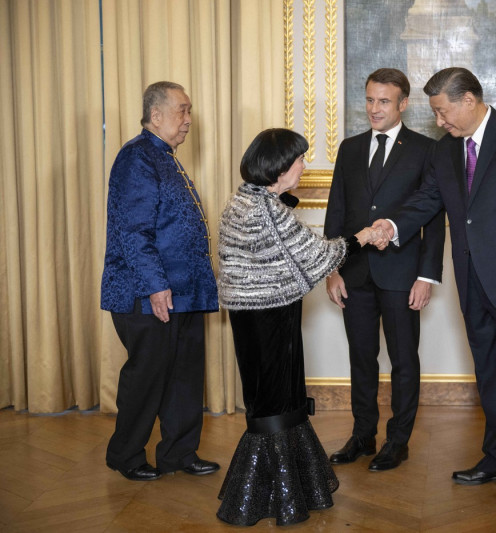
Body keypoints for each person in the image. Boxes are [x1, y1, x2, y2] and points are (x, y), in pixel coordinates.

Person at [373, 67, 496, 506]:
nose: (440, 122)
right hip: (474, 282)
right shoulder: (446, 152)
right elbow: (426, 200)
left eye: (443, 112)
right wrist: (390, 224)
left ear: (469, 100)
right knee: (492, 376)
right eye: (436, 115)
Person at [215, 128, 386, 527]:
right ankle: (278, 497)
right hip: (267, 318)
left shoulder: (248, 198)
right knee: (274, 402)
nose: (304, 166)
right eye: (299, 160)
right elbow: (317, 258)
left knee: (276, 400)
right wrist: (361, 236)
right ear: (278, 166)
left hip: (258, 315)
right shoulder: (264, 208)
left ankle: (285, 490)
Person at [324, 68, 445, 472]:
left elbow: (434, 216)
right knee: (362, 358)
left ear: (403, 104)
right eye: (370, 100)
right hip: (354, 274)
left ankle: (398, 441)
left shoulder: (427, 150)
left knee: (403, 359)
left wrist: (427, 277)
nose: (374, 108)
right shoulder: (350, 148)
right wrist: (332, 269)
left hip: (403, 275)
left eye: (384, 101)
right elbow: (336, 211)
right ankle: (362, 435)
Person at [101, 81, 220, 481]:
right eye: (183, 111)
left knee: (185, 376)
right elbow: (135, 232)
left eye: (189, 111)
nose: (189, 119)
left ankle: (178, 454)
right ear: (156, 116)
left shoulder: (164, 156)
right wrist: (155, 287)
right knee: (147, 377)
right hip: (148, 294)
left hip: (182, 293)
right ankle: (126, 455)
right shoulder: (138, 158)